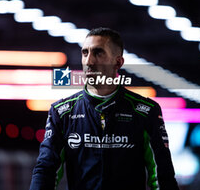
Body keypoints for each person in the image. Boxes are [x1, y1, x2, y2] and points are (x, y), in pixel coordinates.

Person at [29, 27, 179, 190]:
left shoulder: (146, 111)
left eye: (98, 53)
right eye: (85, 53)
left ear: (118, 62)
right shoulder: (62, 112)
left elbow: (162, 175)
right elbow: (46, 170)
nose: (89, 62)